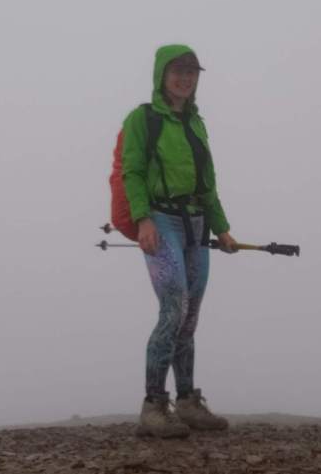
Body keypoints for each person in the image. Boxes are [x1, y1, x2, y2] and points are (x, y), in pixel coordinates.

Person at [120, 44, 238, 438]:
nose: (185, 78)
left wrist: (221, 228)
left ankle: (187, 402)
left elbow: (208, 182)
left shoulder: (196, 123)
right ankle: (153, 407)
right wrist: (142, 219)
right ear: (161, 75)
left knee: (190, 316)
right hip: (161, 219)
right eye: (178, 71)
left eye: (192, 72)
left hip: (197, 224)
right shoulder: (143, 118)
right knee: (174, 309)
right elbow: (133, 172)